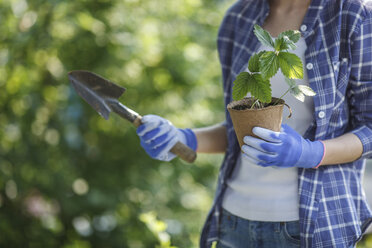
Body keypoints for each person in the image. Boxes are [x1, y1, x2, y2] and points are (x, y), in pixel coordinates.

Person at [135, 0, 372, 247]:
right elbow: (241, 129)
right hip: (234, 221)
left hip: (312, 226)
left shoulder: (354, 16)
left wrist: (311, 153)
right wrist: (184, 139)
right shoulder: (239, 17)